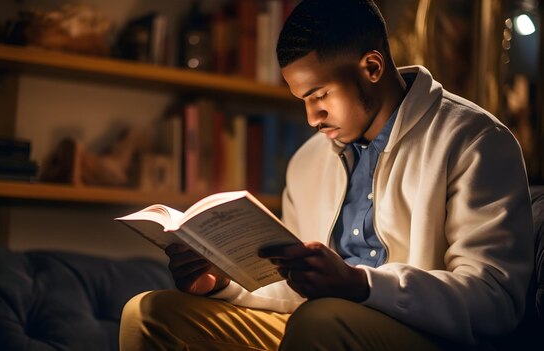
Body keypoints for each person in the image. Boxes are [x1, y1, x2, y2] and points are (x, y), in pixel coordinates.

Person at [120, 0, 534, 349]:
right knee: (149, 314)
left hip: (422, 334)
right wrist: (218, 283)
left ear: (372, 67)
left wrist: (361, 285)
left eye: (319, 95)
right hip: (314, 324)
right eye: (302, 98)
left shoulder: (475, 140)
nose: (311, 117)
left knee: (320, 320)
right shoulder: (307, 161)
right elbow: (291, 289)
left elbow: (494, 300)